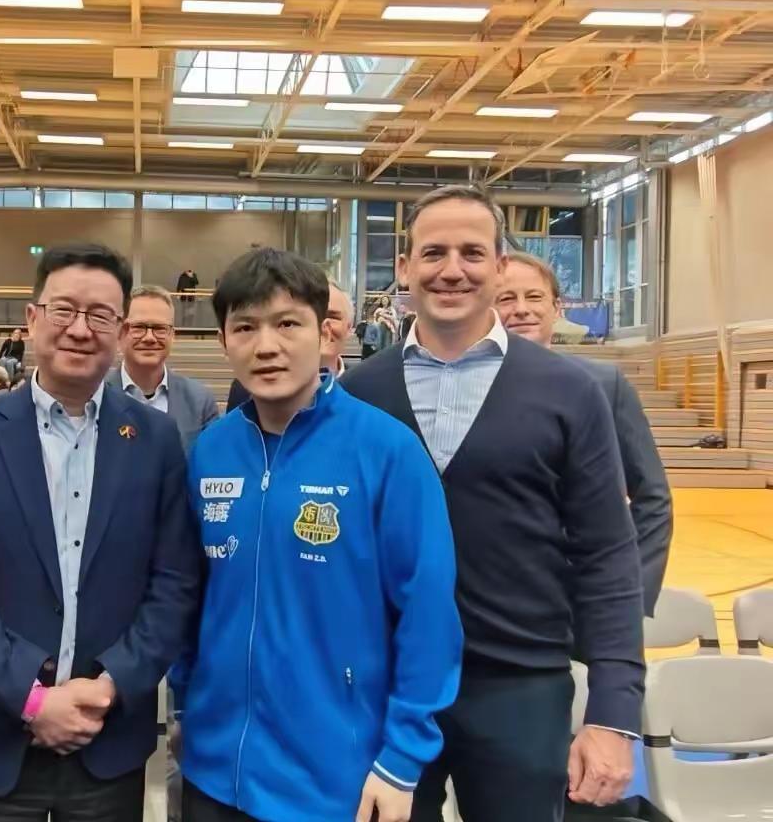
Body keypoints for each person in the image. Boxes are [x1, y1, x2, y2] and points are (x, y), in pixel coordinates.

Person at [345, 186, 645, 822]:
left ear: (501, 266)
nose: (452, 269)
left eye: (472, 252)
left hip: (521, 687)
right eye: (434, 253)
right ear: (405, 267)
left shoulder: (568, 391)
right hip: (385, 686)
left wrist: (613, 712)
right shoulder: (359, 392)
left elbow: (608, 554)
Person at [175, 248, 461, 822]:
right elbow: (190, 595)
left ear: (323, 331)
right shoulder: (210, 451)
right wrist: (186, 704)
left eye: (287, 324)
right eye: (245, 328)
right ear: (223, 341)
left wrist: (401, 759)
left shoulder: (387, 451)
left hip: (337, 780)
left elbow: (428, 613)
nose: (266, 346)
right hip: (215, 771)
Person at [0, 241, 200, 821]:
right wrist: (32, 698)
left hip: (108, 739)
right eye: (64, 310)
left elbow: (174, 582)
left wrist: (107, 687)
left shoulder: (155, 441)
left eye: (100, 315)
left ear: (121, 330)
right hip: (0, 741)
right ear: (32, 318)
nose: (81, 329)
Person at [495, 251, 672, 615]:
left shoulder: (606, 385)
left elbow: (652, 498)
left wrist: (630, 596)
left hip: (586, 598)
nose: (522, 309)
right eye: (506, 298)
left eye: (534, 297)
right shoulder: (463, 390)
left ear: (557, 308)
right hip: (491, 598)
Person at [107, 284, 219, 450]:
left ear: (172, 336)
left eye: (159, 328)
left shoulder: (200, 401)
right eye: (139, 327)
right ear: (121, 332)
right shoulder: (94, 394)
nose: (149, 338)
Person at [226, 279, 350, 412]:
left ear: (349, 327)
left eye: (332, 316)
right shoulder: (244, 388)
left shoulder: (361, 386)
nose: (320, 323)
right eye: (287, 323)